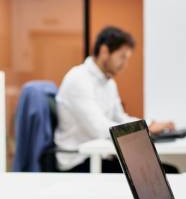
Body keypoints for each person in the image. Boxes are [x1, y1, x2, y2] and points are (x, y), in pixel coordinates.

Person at [54, 26, 176, 172]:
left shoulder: (108, 82)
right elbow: (99, 129)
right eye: (122, 57)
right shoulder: (78, 79)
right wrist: (145, 129)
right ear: (105, 51)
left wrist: (148, 124)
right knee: (160, 172)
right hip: (78, 161)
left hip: (99, 157)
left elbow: (120, 118)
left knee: (167, 170)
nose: (125, 64)